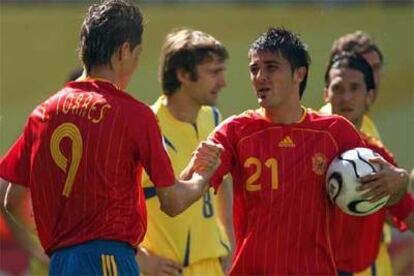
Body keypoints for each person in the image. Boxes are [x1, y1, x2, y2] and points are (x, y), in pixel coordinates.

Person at [0, 1, 222, 275]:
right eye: (137, 54)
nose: (137, 62)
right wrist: (202, 176)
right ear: (124, 51)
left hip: (60, 264)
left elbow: (11, 199)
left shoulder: (42, 113)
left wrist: (54, 240)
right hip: (110, 262)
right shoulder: (134, 114)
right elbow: (173, 202)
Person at [203, 26, 368, 275]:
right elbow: (188, 188)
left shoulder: (336, 132)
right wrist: (181, 184)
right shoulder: (235, 131)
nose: (260, 77)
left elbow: (384, 184)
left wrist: (396, 181)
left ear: (298, 74)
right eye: (254, 69)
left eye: (271, 67)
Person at [136, 28, 234, 276]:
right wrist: (137, 257)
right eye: (214, 73)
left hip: (213, 267)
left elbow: (221, 183)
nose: (223, 83)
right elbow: (108, 203)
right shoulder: (145, 127)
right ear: (182, 74)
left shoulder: (213, 118)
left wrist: (229, 241)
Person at [323, 51, 414, 275]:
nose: (345, 97)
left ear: (369, 96)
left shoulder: (377, 158)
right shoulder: (302, 144)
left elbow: (407, 215)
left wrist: (401, 182)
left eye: (354, 88)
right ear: (326, 94)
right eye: (337, 88)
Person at [320, 30, 383, 139]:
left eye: (376, 68)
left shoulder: (366, 124)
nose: (373, 78)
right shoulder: (326, 127)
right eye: (365, 68)